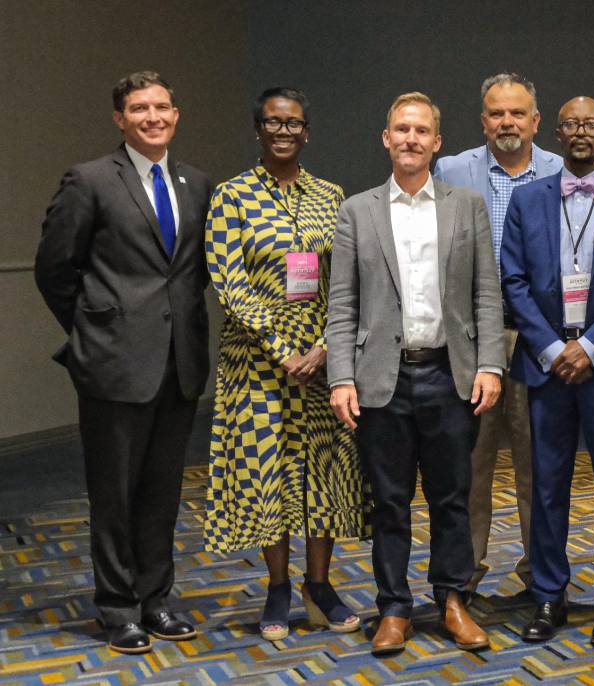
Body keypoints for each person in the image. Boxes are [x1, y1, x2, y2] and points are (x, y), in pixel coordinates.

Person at [34, 71, 212, 654]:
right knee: (113, 495)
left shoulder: (195, 183)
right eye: (139, 109)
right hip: (113, 366)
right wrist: (95, 331)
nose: (152, 117)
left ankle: (155, 600)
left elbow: (192, 273)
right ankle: (118, 608)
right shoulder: (89, 180)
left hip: (179, 364)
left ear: (176, 114)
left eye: (161, 107)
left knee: (162, 492)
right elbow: (54, 268)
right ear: (120, 119)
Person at [325, 92, 505, 653]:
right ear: (386, 138)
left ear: (437, 142)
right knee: (390, 502)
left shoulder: (466, 206)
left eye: (421, 131)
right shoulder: (357, 210)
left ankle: (452, 601)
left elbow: (487, 294)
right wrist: (340, 376)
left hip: (450, 376)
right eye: (402, 129)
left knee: (453, 497)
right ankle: (394, 609)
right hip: (382, 380)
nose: (411, 138)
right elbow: (342, 303)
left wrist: (491, 365)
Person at [204, 87, 367, 642]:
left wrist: (324, 345)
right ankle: (277, 586)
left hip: (321, 361)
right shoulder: (232, 197)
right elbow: (229, 282)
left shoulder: (330, 196)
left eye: (293, 123)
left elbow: (344, 280)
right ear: (258, 129)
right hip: (255, 361)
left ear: (306, 132)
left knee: (323, 467)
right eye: (273, 122)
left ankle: (318, 586)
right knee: (266, 470)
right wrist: (281, 348)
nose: (283, 131)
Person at [501, 96, 594, 648]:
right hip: (547, 367)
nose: (582, 132)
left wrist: (588, 347)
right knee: (546, 487)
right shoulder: (527, 199)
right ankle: (548, 593)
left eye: (592, 124)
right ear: (557, 134)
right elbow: (513, 281)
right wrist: (552, 348)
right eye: (572, 124)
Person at [433, 73, 562, 593]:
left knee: (539, 466)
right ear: (483, 120)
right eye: (496, 113)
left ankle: (542, 576)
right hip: (471, 341)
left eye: (517, 113)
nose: (507, 122)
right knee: (468, 466)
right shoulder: (451, 170)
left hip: (537, 339)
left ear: (535, 120)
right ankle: (463, 577)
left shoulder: (559, 171)